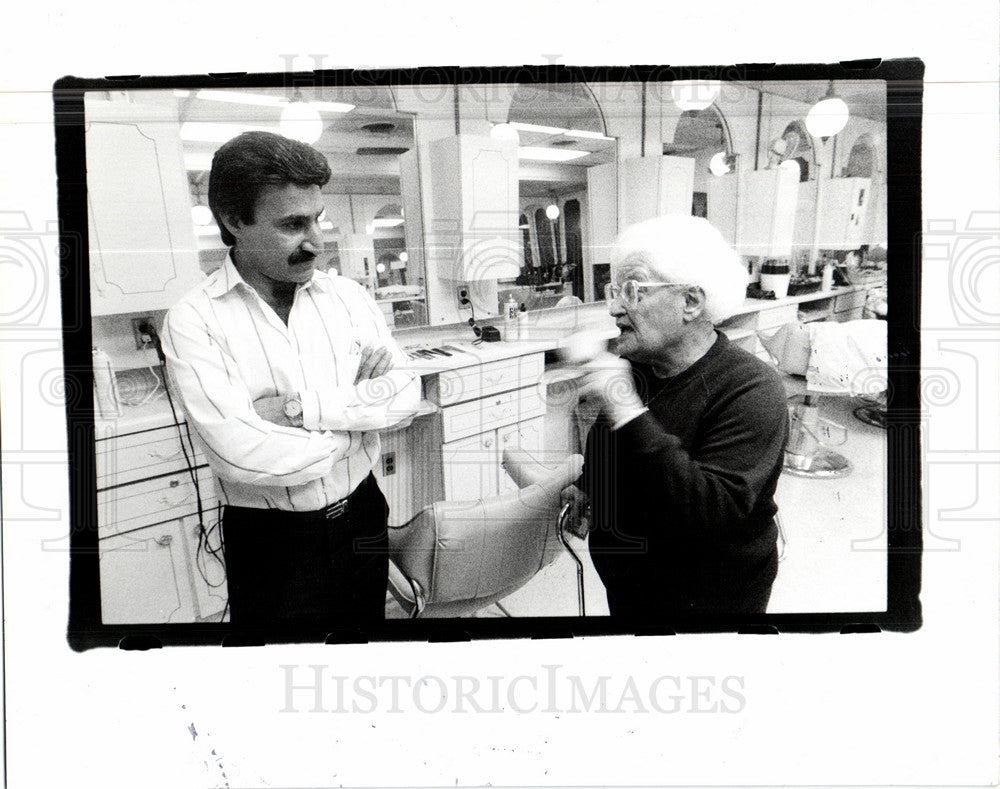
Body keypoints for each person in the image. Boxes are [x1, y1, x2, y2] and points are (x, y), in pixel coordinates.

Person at [160, 131, 420, 632]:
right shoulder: (194, 320)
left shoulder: (347, 297)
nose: (317, 243)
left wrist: (300, 411)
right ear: (234, 221)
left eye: (317, 219)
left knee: (363, 648)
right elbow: (238, 451)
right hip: (271, 540)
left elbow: (406, 393)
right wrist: (358, 421)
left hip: (363, 514)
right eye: (292, 224)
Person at [561, 215, 789, 617]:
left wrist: (627, 408)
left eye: (633, 291)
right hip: (631, 589)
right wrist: (587, 486)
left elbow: (710, 512)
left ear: (690, 301)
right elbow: (609, 446)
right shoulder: (642, 369)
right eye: (614, 291)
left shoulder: (753, 390)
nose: (614, 308)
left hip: (708, 601)